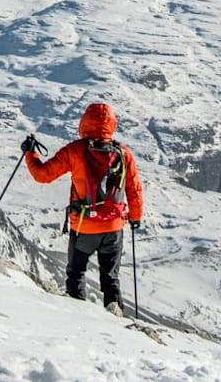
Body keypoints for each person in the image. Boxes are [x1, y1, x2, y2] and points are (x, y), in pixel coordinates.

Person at [22, 101, 143, 316]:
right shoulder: (124, 154)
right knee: (110, 277)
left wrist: (31, 154)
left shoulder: (76, 150)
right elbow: (134, 189)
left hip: (84, 226)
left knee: (76, 272)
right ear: (111, 124)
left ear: (84, 123)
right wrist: (135, 218)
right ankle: (115, 313)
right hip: (114, 227)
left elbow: (43, 175)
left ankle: (76, 314)